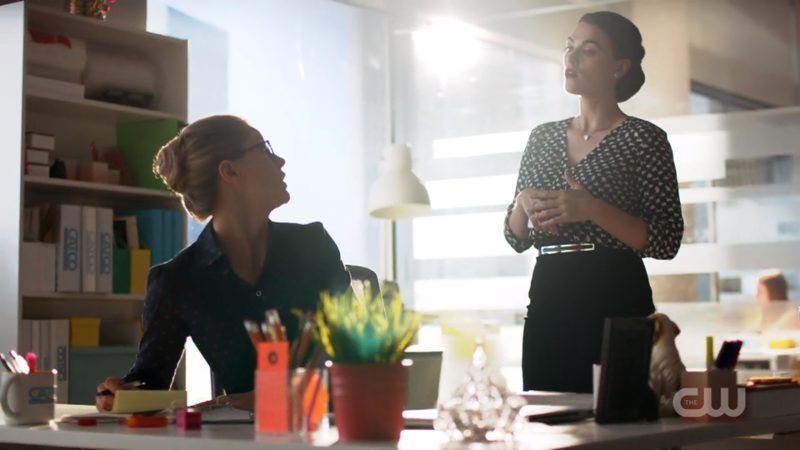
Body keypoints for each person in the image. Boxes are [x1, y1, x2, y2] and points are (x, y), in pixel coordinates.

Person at [96, 115, 351, 412]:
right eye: (265, 149)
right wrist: (121, 393)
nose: (280, 160)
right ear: (230, 171)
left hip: (334, 432)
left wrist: (274, 396)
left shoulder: (313, 246)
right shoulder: (177, 281)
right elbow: (150, 382)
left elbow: (360, 355)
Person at [503, 11, 684, 393]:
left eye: (588, 50)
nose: (570, 59)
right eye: (570, 48)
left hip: (616, 294)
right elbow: (515, 237)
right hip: (549, 293)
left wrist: (592, 209)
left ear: (620, 67)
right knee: (548, 422)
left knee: (621, 422)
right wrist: (522, 203)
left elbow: (666, 240)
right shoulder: (542, 137)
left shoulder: (644, 139)